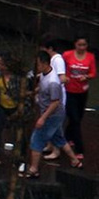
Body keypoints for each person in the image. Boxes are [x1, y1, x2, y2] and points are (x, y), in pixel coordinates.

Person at [20, 51, 82, 179]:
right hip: (53, 113)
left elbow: (55, 102)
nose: (36, 67)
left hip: (52, 115)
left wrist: (42, 118)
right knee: (58, 138)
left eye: (37, 64)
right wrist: (31, 93)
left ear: (44, 63)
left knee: (36, 140)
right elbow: (42, 88)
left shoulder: (53, 81)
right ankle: (75, 160)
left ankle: (33, 169)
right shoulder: (44, 74)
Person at [63, 34, 96, 161]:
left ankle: (67, 136)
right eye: (79, 45)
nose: (82, 47)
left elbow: (93, 73)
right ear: (75, 44)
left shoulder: (90, 57)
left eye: (84, 45)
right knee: (75, 119)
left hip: (82, 92)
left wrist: (86, 76)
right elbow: (60, 68)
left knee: (78, 117)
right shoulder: (67, 55)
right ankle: (79, 148)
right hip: (69, 91)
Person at [40, 36, 67, 161]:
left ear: (50, 48)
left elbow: (62, 78)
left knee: (56, 125)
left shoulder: (57, 60)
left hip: (56, 96)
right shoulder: (50, 60)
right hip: (49, 96)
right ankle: (50, 145)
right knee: (49, 123)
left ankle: (56, 150)